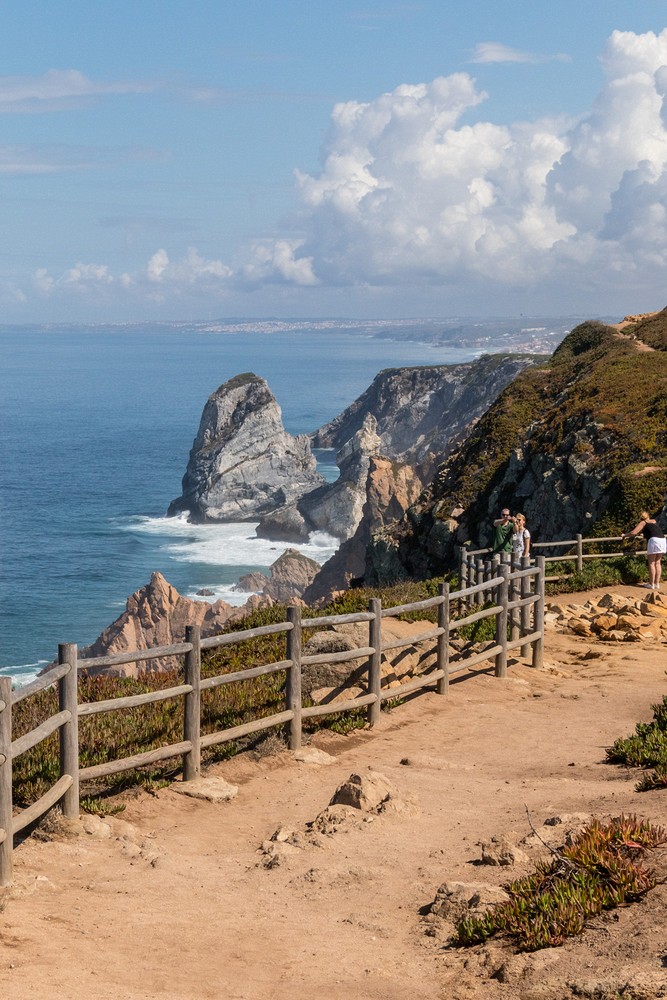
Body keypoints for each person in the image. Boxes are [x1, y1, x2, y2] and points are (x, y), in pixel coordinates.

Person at [621, 511, 666, 590]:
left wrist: (625, 535)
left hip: (654, 541)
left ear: (641, 518)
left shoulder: (643, 522)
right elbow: (652, 531)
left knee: (651, 563)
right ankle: (657, 583)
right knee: (658, 563)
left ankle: (651, 584)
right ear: (648, 516)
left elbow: (633, 532)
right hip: (662, 540)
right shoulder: (654, 521)